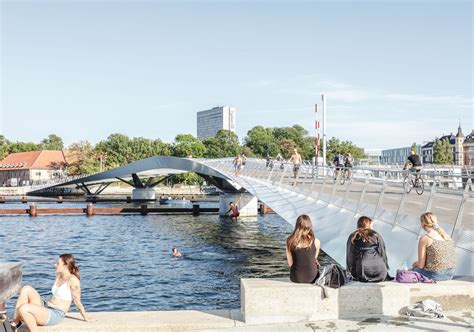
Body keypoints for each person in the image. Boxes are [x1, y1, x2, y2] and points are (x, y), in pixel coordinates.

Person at [11, 254, 90, 332]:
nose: (55, 264)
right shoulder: (59, 275)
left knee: (24, 308)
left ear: (65, 266)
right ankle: (15, 323)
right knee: (26, 288)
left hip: (56, 314)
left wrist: (86, 317)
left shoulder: (73, 280)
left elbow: (77, 301)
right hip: (47, 306)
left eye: (58, 263)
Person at [411, 212, 456, 281]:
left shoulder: (425, 238)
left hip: (436, 276)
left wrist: (415, 264)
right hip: (450, 274)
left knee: (413, 270)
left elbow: (420, 265)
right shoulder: (445, 236)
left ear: (422, 224)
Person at [346, 216, 390, 282]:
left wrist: (351, 272)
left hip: (363, 273)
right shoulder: (376, 235)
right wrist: (386, 270)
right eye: (372, 225)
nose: (372, 227)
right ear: (368, 225)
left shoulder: (353, 236)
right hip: (381, 273)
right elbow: (382, 253)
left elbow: (350, 256)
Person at [286, 214, 321, 283]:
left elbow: (290, 263)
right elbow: (313, 259)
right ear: (310, 227)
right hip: (312, 278)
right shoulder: (316, 242)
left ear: (297, 227)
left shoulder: (289, 241)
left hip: (296, 278)